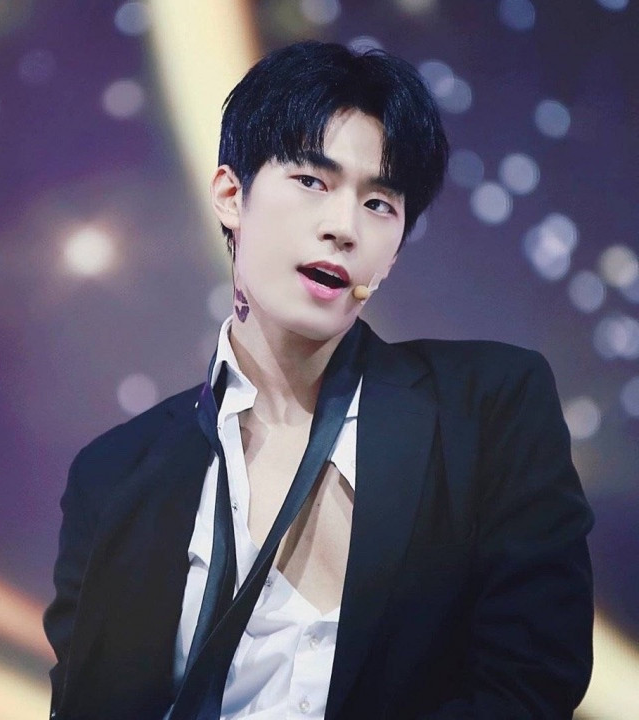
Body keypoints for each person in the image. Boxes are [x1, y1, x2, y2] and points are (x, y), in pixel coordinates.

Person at [44, 41, 594, 719]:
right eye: (312, 181)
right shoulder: (113, 477)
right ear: (231, 196)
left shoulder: (489, 409)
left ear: (394, 252)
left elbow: (532, 685)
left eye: (380, 203)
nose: (344, 227)